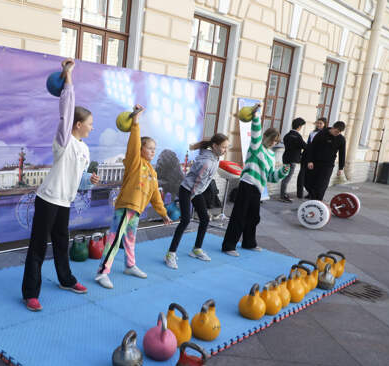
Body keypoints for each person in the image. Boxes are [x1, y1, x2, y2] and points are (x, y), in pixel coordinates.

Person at [21, 58, 100, 312]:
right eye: (89, 123)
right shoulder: (64, 141)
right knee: (37, 247)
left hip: (65, 201)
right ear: (77, 125)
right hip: (48, 199)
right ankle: (30, 293)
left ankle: (66, 280)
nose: (92, 126)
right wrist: (68, 77)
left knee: (62, 243)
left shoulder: (84, 148)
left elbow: (78, 176)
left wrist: (90, 179)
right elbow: (67, 109)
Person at [95, 105, 172, 289]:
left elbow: (155, 196)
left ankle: (130, 265)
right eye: (149, 148)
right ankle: (102, 272)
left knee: (130, 238)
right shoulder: (135, 162)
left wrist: (163, 213)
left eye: (155, 149)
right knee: (114, 239)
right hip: (125, 207)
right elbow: (134, 144)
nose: (153, 151)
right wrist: (136, 123)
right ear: (141, 149)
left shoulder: (152, 172)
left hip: (136, 211)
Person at [222, 104, 289, 257]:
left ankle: (248, 243)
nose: (273, 143)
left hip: (258, 188)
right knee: (239, 215)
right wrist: (256, 115)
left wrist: (282, 172)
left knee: (254, 217)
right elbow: (256, 132)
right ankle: (228, 245)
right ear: (265, 137)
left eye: (276, 141)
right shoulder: (256, 146)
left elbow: (271, 176)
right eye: (272, 140)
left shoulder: (271, 156)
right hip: (247, 183)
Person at [165, 134, 229, 269]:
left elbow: (200, 185)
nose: (225, 150)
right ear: (215, 146)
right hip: (188, 190)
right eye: (223, 147)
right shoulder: (207, 162)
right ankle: (170, 254)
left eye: (227, 147)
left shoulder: (215, 158)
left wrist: (196, 195)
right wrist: (191, 197)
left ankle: (196, 249)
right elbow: (197, 183)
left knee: (205, 219)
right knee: (185, 221)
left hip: (197, 191)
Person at [305, 121, 346, 201]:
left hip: (328, 165)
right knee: (307, 182)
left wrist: (341, 168)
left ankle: (318, 201)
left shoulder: (341, 139)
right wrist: (310, 161)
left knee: (322, 185)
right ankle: (313, 196)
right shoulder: (321, 134)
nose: (337, 133)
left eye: (339, 132)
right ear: (333, 128)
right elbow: (312, 147)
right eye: (336, 131)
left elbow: (342, 154)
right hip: (315, 162)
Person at [298, 117, 326, 198]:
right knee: (306, 177)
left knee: (314, 177)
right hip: (308, 156)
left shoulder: (325, 134)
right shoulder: (312, 133)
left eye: (321, 123)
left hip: (318, 158)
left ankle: (313, 193)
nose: (319, 125)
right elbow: (309, 145)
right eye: (318, 123)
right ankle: (310, 192)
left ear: (325, 124)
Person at [280, 117, 306, 203]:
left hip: (286, 158)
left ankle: (283, 194)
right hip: (293, 160)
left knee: (285, 176)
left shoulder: (287, 135)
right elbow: (305, 146)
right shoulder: (298, 136)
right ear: (299, 127)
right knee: (287, 177)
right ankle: (283, 195)